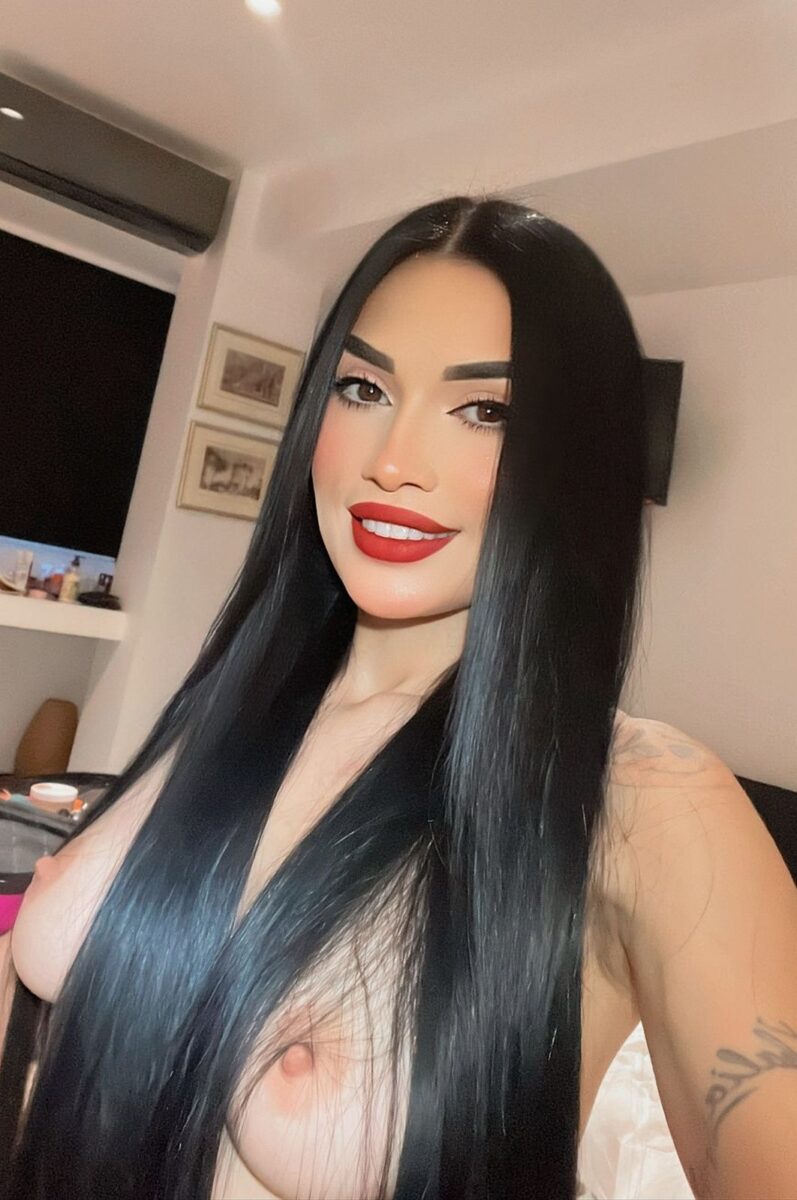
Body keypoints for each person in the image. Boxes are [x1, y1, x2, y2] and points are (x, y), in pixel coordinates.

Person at [1, 196, 795, 1200]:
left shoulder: (643, 797)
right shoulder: (238, 705)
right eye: (362, 388)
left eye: (486, 410)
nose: (392, 462)